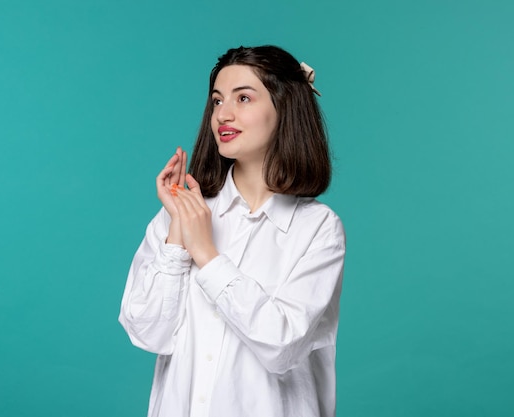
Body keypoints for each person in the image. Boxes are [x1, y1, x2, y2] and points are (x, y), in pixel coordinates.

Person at [119, 45, 346, 417]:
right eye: (217, 100)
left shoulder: (318, 229)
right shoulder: (183, 212)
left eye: (243, 98)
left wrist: (206, 253)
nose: (223, 114)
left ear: (285, 107)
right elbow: (146, 333)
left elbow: (282, 345)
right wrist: (178, 233)